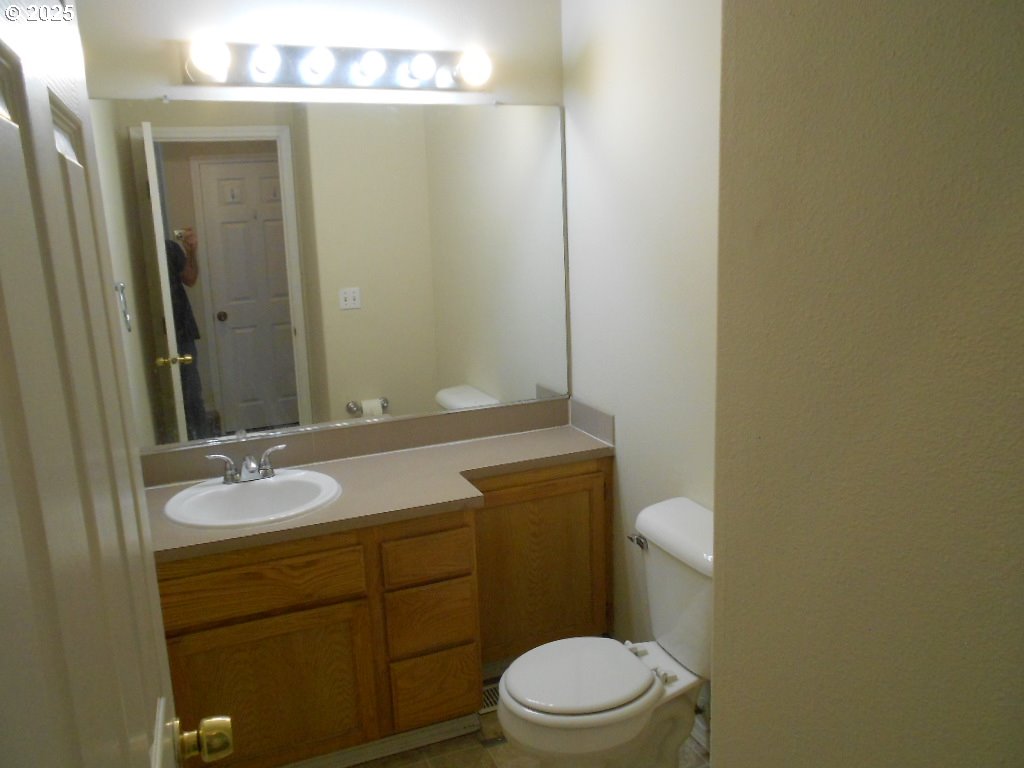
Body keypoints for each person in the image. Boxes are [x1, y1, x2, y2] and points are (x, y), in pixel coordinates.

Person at [166, 228, 208, 440]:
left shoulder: (170, 248)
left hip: (183, 330)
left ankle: (201, 442)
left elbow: (190, 278)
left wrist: (191, 251)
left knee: (192, 393)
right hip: (158, 333)